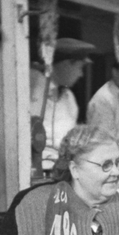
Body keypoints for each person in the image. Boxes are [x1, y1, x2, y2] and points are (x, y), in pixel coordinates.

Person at [30, 38, 97, 176]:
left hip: (61, 173)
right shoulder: (33, 86)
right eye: (79, 67)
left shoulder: (69, 99)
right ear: (66, 64)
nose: (81, 74)